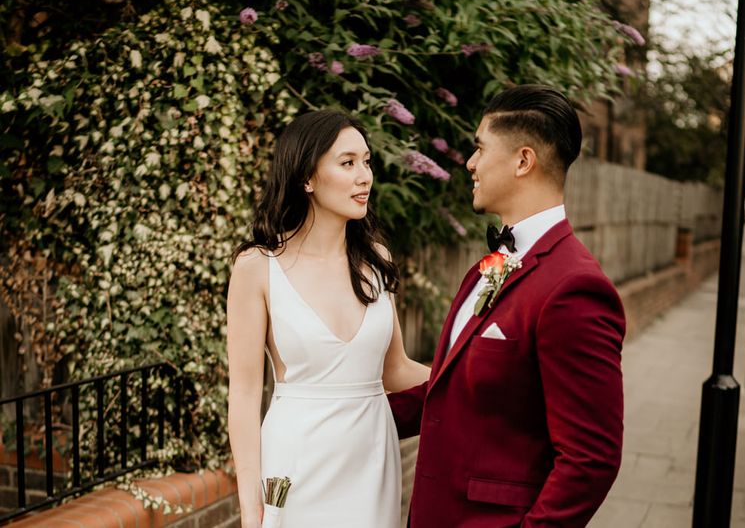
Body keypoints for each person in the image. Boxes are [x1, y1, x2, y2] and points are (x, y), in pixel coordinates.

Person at [388, 84, 625, 527]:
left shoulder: (575, 289)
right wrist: (343, 417)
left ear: (523, 160)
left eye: (479, 148)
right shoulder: (491, 265)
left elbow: (591, 459)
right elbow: (454, 390)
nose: (470, 162)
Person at [226, 109, 430, 528]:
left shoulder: (377, 262)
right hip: (297, 463)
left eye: (367, 162)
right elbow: (244, 396)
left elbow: (395, 370)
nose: (365, 176)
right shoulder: (257, 267)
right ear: (307, 178)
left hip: (372, 463)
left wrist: (472, 379)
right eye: (348, 162)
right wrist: (250, 509)